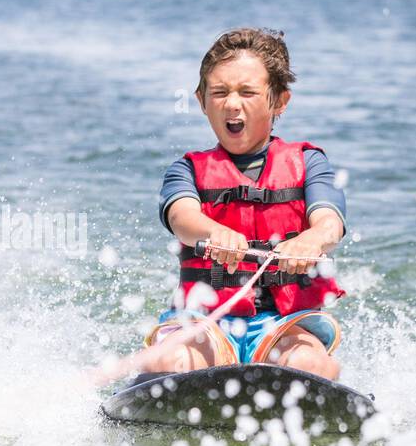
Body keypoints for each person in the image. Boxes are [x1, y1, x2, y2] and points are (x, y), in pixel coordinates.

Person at [134, 27, 347, 379]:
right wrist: (214, 231)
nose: (232, 104)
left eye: (247, 92)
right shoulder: (186, 170)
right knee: (167, 364)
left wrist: (312, 239)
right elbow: (182, 217)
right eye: (219, 93)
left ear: (279, 100)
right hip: (206, 319)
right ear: (201, 100)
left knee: (307, 366)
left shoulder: (310, 164)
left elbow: (329, 222)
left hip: (285, 322)